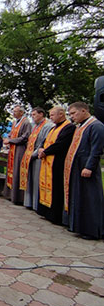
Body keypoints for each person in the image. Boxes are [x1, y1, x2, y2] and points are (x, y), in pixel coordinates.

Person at [64, 102, 104, 239]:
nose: (72, 117)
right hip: (77, 167)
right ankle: (80, 227)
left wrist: (89, 166)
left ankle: (93, 230)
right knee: (80, 197)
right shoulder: (81, 126)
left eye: (73, 113)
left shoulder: (96, 126)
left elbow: (96, 149)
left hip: (87, 168)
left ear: (83, 111)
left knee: (91, 198)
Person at [37, 106, 75, 224]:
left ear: (61, 114)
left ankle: (55, 215)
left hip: (58, 162)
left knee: (56, 188)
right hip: (47, 161)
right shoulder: (53, 128)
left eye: (53, 115)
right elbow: (45, 140)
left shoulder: (69, 127)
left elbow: (61, 144)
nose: (51, 117)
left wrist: (45, 151)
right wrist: (41, 148)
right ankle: (45, 211)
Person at [20, 107, 52, 210]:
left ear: (41, 114)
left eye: (34, 114)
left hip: (38, 157)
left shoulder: (47, 126)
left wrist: (32, 154)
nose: (32, 117)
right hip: (31, 156)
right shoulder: (35, 126)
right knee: (31, 180)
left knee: (37, 181)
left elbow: (43, 142)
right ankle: (30, 202)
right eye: (32, 115)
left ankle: (37, 205)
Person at [3, 106, 31, 204]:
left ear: (21, 112)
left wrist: (11, 141)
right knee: (12, 171)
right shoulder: (15, 122)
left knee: (17, 171)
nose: (13, 113)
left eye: (15, 112)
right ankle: (10, 194)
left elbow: (25, 137)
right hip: (12, 149)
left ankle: (17, 196)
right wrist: (9, 138)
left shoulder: (26, 122)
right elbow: (12, 133)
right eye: (13, 111)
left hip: (19, 149)